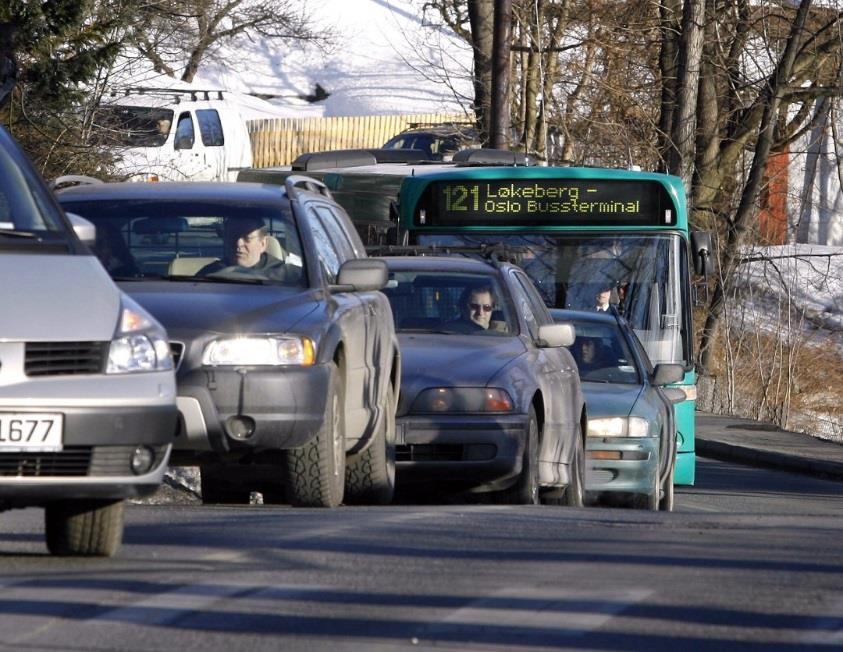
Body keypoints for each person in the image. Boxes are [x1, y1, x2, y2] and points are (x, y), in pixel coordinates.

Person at [197, 216, 286, 280]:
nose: (238, 243)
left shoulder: (285, 277)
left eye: (247, 238)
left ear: (263, 244)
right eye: (232, 236)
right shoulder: (208, 275)